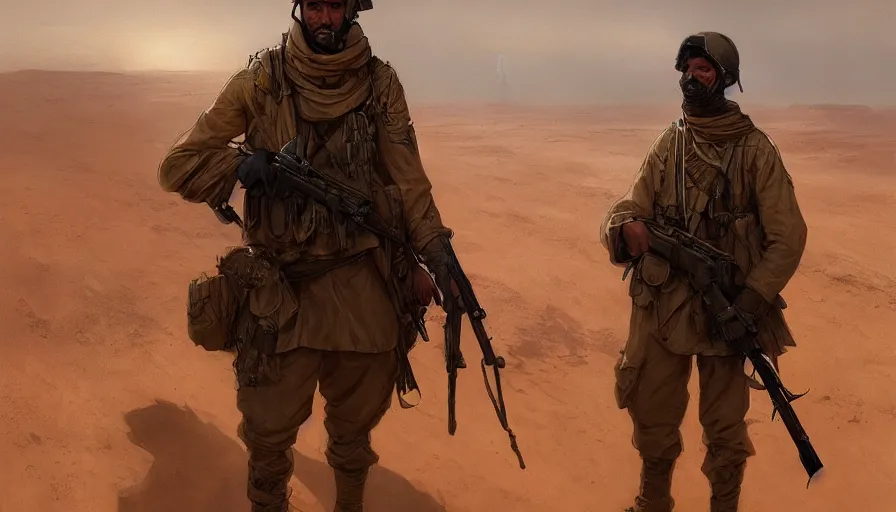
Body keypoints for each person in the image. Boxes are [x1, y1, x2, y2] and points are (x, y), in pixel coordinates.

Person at [157, 1, 458, 511]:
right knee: (268, 434)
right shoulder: (261, 81)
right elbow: (178, 165)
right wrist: (242, 167)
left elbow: (409, 182)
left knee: (354, 435)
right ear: (300, 10)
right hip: (283, 292)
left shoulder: (380, 84)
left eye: (334, 7)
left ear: (351, 11)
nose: (324, 19)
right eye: (314, 6)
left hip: (363, 287)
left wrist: (438, 253)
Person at [599, 32, 808, 512]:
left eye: (704, 71)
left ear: (726, 78)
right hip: (666, 306)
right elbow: (631, 205)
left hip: (728, 311)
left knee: (725, 428)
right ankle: (652, 503)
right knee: (652, 412)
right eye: (687, 70)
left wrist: (749, 304)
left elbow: (789, 238)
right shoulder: (669, 143)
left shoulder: (755, 150)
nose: (691, 80)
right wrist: (625, 225)